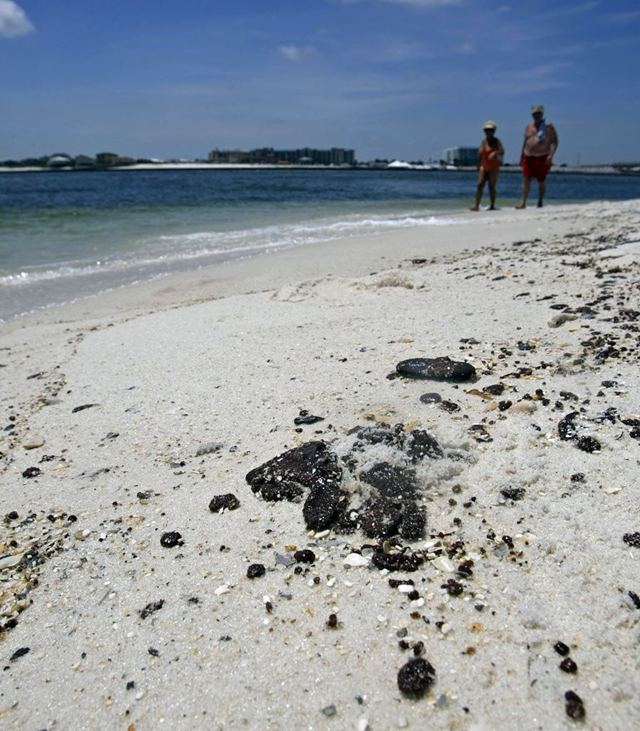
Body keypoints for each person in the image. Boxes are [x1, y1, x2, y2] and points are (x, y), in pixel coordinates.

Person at [516, 104, 558, 209]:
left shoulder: (548, 126)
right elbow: (525, 142)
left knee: (541, 180)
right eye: (535, 114)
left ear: (542, 114)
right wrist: (521, 156)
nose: (537, 116)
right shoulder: (528, 127)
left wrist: (550, 156)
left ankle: (540, 200)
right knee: (526, 179)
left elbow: (555, 142)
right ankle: (523, 202)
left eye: (539, 113)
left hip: (542, 157)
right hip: (528, 156)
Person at [470, 121, 504, 211]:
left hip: (493, 166)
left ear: (493, 131)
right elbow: (481, 154)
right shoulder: (483, 141)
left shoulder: (496, 141)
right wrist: (478, 164)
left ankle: (492, 205)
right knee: (479, 184)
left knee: (491, 186)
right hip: (483, 165)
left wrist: (495, 152)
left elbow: (502, 151)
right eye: (487, 130)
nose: (488, 132)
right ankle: (476, 205)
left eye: (490, 130)